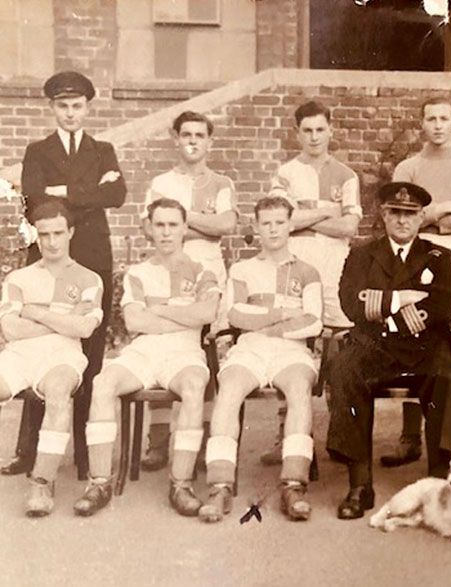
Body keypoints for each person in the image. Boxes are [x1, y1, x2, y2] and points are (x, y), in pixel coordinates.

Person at [3, 71, 126, 478]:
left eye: (77, 106)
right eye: (63, 106)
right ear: (52, 108)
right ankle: (29, 450)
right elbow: (35, 202)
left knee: (88, 352)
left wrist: (63, 192)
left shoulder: (103, 149)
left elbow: (117, 195)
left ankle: (87, 451)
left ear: (87, 108)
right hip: (47, 255)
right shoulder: (37, 151)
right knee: (37, 350)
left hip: (93, 259)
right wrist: (83, 191)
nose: (71, 113)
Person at [73, 198, 219, 517]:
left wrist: (160, 310)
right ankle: (99, 482)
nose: (166, 232)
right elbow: (136, 322)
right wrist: (184, 313)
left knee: (194, 386)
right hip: (145, 350)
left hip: (184, 351)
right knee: (102, 383)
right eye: (160, 225)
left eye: (173, 225)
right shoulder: (138, 272)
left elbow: (208, 312)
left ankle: (181, 484)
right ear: (149, 229)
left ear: (184, 228)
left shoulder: (202, 269)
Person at [327, 181, 451, 520]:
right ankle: (359, 483)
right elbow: (350, 303)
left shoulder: (439, 256)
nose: (403, 220)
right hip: (373, 344)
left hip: (424, 344)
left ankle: (440, 481)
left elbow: (442, 307)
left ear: (421, 218)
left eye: (411, 214)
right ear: (384, 215)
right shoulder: (361, 255)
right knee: (345, 371)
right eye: (396, 213)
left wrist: (382, 306)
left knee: (446, 374)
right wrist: (402, 299)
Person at [198, 195, 323, 523]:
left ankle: (293, 483)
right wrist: (284, 314)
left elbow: (314, 321)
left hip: (292, 350)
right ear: (255, 227)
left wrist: (264, 317)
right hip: (250, 348)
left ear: (291, 225)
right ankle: (220, 485)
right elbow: (236, 315)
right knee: (229, 390)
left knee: (298, 390)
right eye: (266, 223)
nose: (273, 229)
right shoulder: (242, 269)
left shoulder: (307, 271)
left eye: (280, 222)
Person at [382, 97, 451, 467]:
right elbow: (402, 217)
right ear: (422, 124)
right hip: (415, 257)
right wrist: (446, 207)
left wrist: (429, 218)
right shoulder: (408, 167)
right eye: (431, 118)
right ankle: (410, 436)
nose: (438, 125)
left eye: (445, 118)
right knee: (415, 336)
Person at [259, 100, 361, 467]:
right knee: (293, 343)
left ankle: (339, 433)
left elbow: (350, 227)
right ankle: (285, 435)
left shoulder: (347, 176)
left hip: (335, 269)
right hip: (297, 267)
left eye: (321, 129)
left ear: (330, 130)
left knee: (338, 343)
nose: (314, 137)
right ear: (297, 133)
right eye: (307, 130)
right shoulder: (286, 173)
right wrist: (324, 213)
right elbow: (281, 221)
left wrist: (302, 217)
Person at [139, 111, 238, 473]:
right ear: (175, 139)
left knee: (207, 354)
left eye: (200, 135)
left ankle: (202, 436)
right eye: (186, 134)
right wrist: (200, 224)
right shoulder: (162, 181)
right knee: (163, 345)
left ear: (209, 141)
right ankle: (159, 439)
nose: (193, 141)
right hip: (167, 271)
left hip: (209, 270)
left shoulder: (222, 182)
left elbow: (225, 225)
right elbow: (151, 230)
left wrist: (180, 219)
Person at [0, 202, 103, 516]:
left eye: (59, 232)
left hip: (63, 354)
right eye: (44, 234)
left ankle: (41, 482)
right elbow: (9, 328)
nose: (52, 241)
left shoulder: (89, 279)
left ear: (70, 232)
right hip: (20, 355)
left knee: (59, 392)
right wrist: (61, 318)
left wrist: (34, 312)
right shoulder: (19, 278)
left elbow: (84, 328)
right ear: (36, 235)